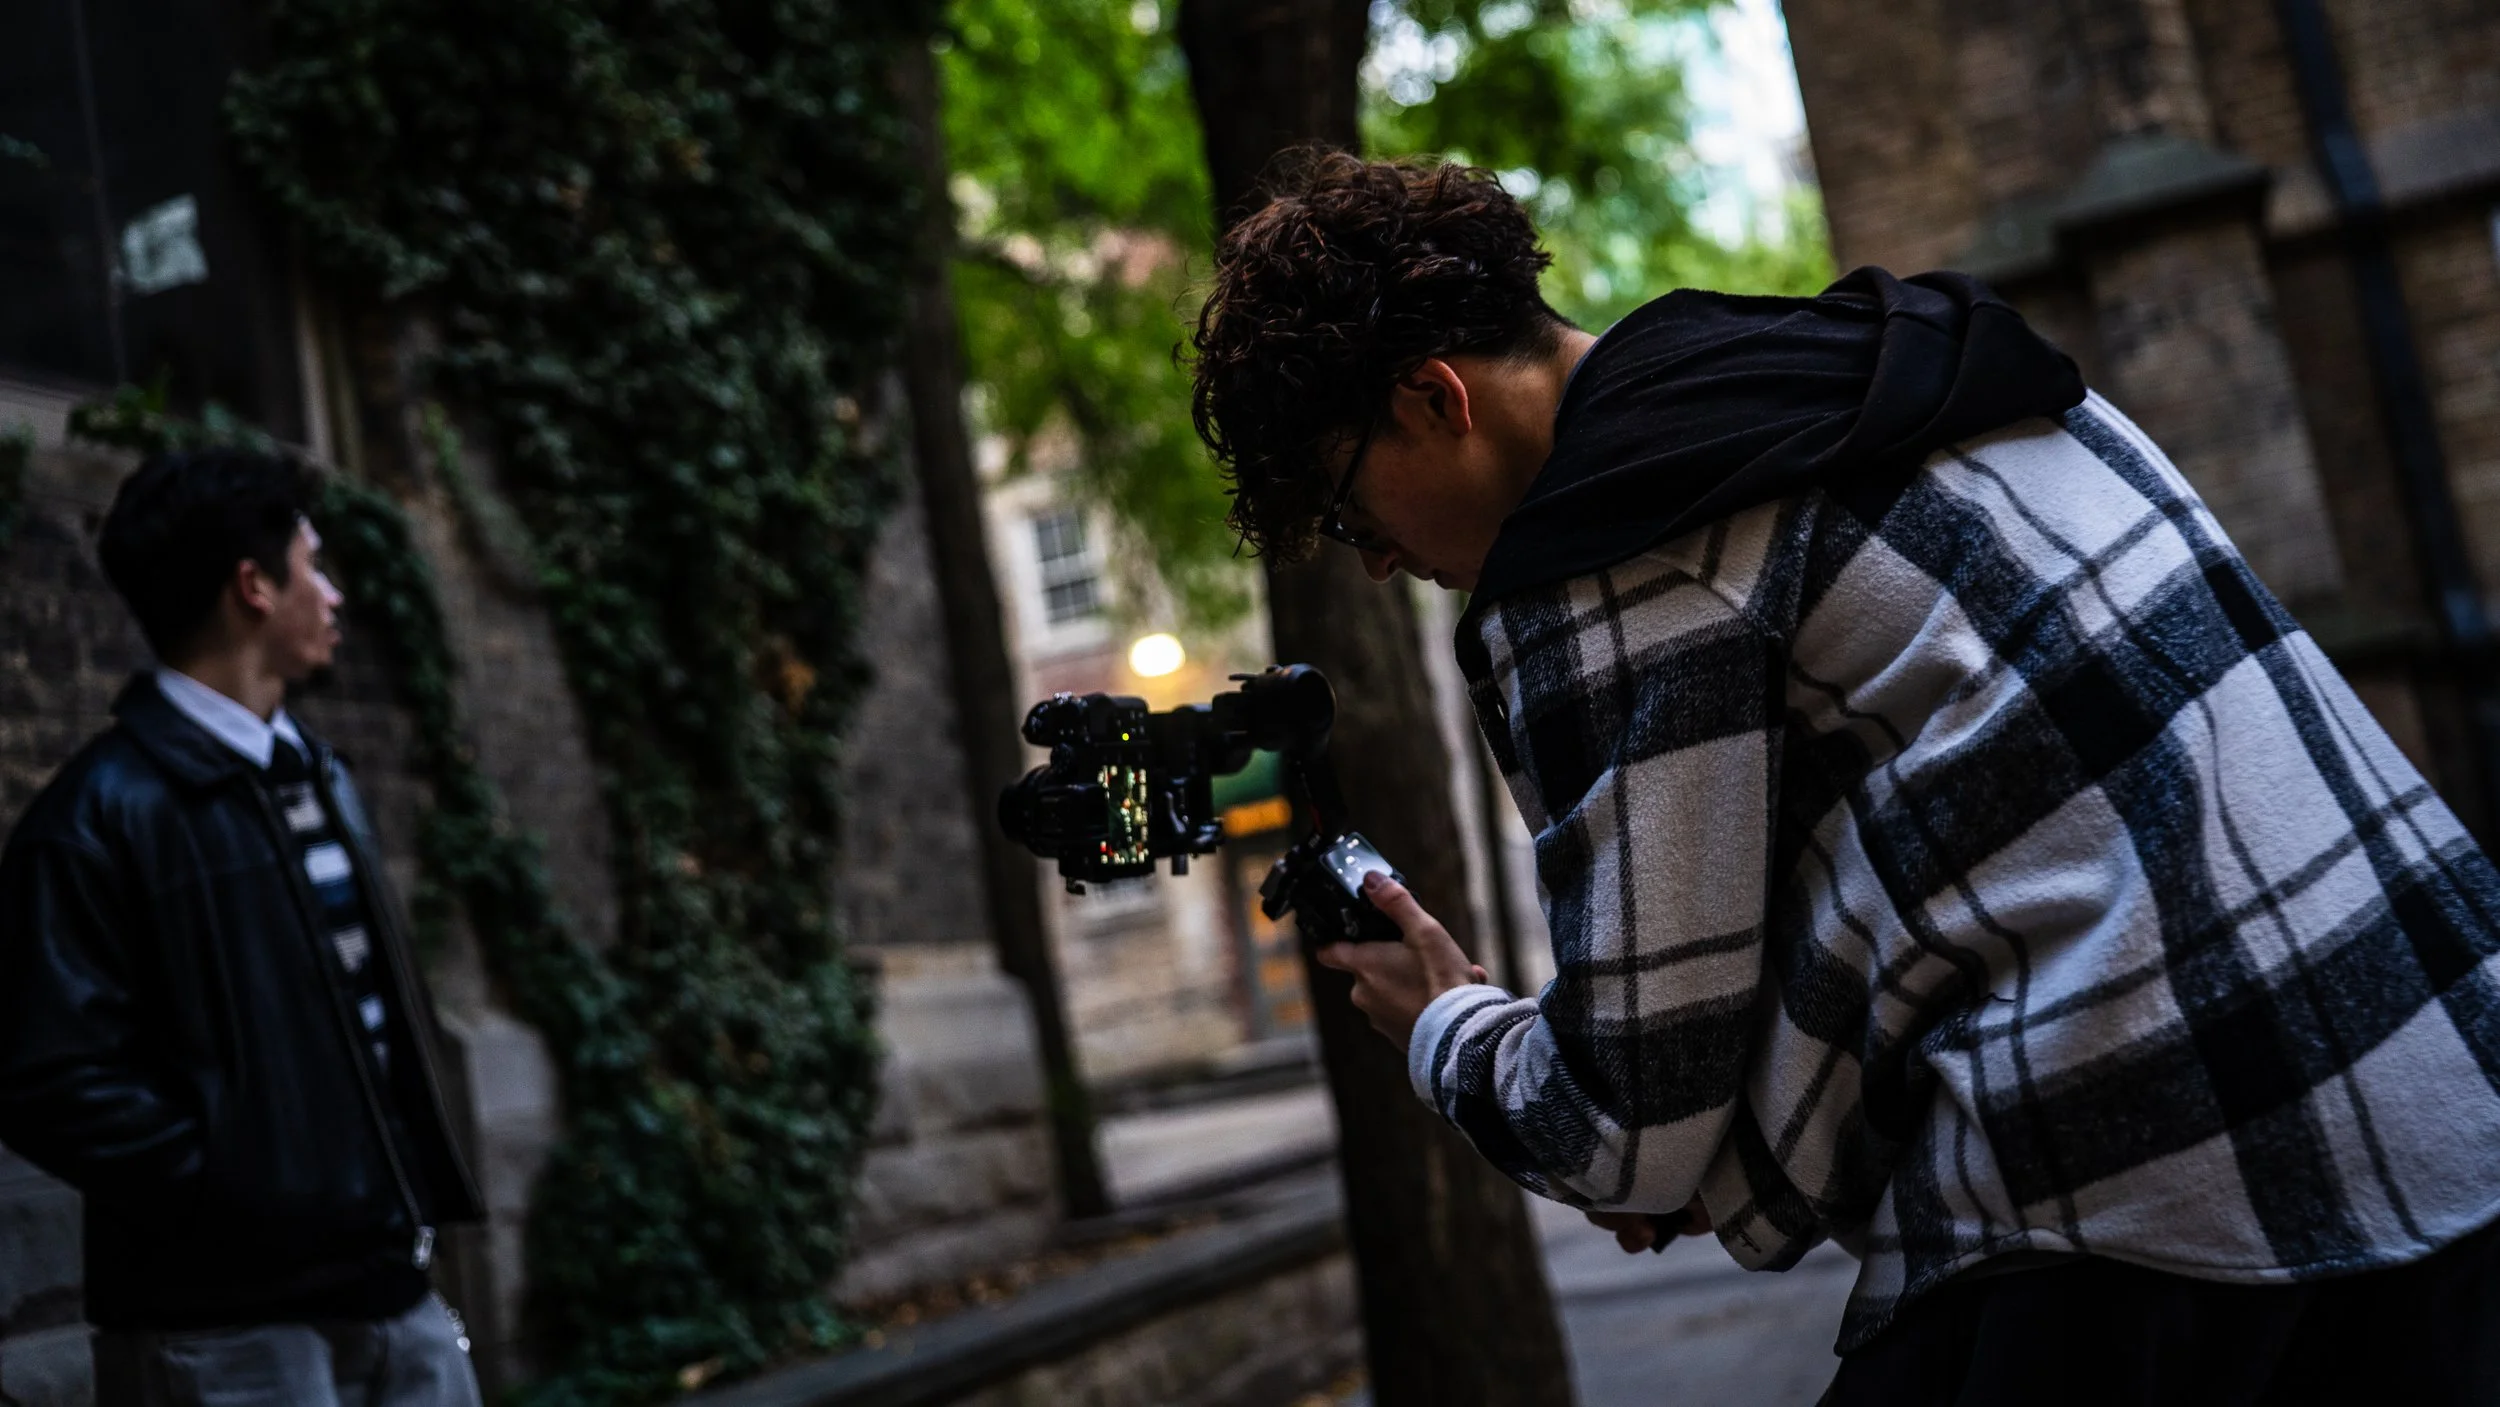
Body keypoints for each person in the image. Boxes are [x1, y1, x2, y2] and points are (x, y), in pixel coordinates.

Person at [1190, 152, 2500, 1404]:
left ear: (1435, 397)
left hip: (2171, 1176)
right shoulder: (1882, 364)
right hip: (2444, 1061)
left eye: (1355, 513)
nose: (1372, 561)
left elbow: (1620, 1132)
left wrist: (1442, 1022)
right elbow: (1956, 857)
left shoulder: (1609, 550)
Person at [0, 449, 485, 1406]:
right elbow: (45, 1074)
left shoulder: (320, 777)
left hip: (396, 1303)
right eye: (314, 565)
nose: (336, 595)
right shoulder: (97, 816)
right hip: (225, 1334)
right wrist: (236, 1193)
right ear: (253, 587)